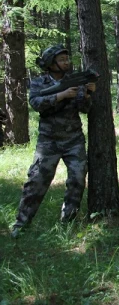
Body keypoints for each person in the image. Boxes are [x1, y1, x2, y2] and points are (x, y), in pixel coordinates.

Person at [11, 45, 96, 238]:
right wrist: (61, 95)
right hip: (48, 142)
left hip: (74, 140)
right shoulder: (39, 82)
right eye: (62, 60)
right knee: (36, 182)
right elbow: (36, 103)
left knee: (77, 180)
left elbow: (85, 108)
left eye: (67, 59)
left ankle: (68, 223)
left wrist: (88, 93)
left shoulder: (75, 80)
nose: (66, 62)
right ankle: (21, 224)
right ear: (51, 63)